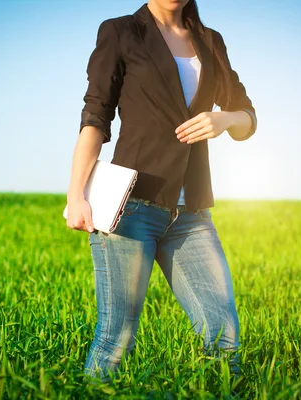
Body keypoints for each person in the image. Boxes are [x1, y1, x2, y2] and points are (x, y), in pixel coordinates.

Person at [66, 0, 257, 383]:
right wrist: (76, 194)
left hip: (191, 215)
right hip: (129, 208)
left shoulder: (210, 41)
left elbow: (247, 117)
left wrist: (224, 119)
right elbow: (96, 115)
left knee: (224, 337)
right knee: (115, 340)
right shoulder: (121, 32)